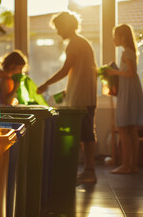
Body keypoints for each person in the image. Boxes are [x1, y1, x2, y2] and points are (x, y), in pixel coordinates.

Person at [37, 11, 98, 183]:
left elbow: (65, 70)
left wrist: (44, 85)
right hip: (83, 95)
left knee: (86, 134)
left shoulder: (75, 44)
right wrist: (67, 91)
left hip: (83, 98)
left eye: (58, 27)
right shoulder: (81, 42)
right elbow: (78, 72)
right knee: (85, 133)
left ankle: (90, 171)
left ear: (65, 26)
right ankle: (88, 170)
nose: (57, 32)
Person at [106, 24, 143, 174]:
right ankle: (132, 165)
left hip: (129, 92)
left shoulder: (126, 53)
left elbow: (131, 73)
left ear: (122, 37)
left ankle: (126, 165)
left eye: (115, 36)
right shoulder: (129, 52)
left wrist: (114, 73)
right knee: (130, 129)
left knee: (124, 127)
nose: (113, 39)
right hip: (130, 91)